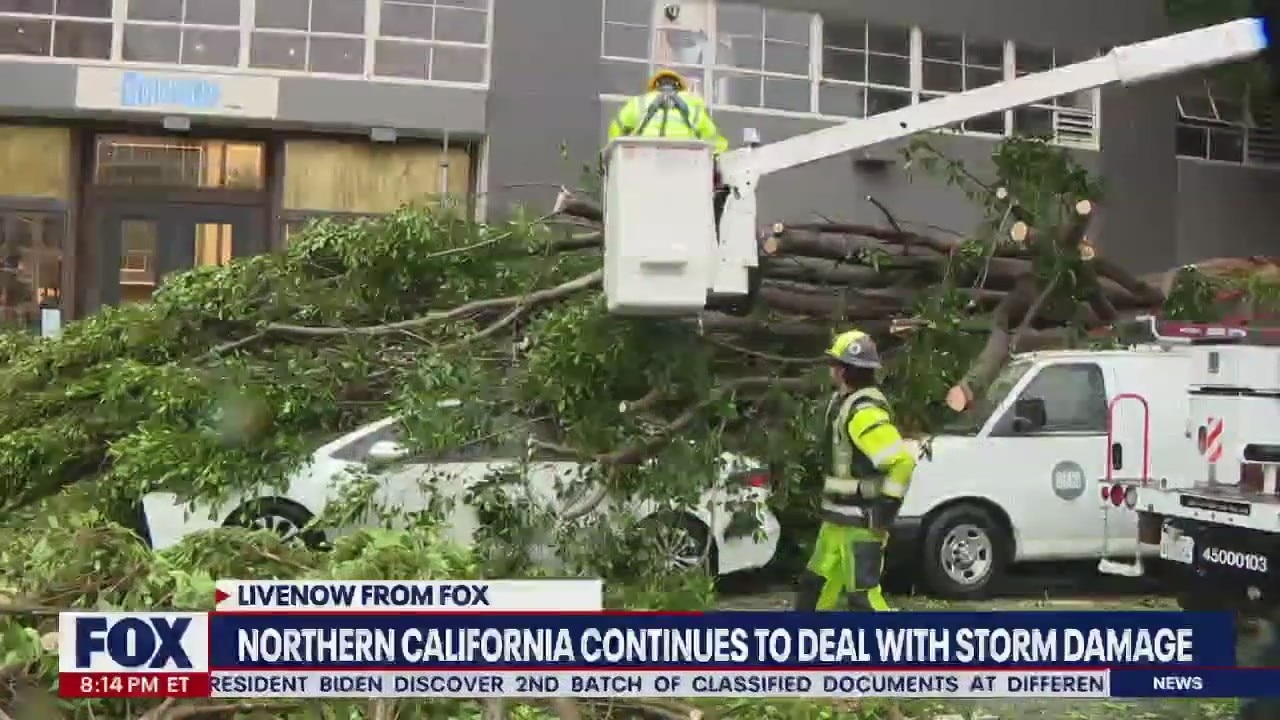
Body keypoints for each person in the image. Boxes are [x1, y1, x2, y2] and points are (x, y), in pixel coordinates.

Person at [795, 329, 917, 612]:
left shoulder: (864, 413)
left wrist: (885, 511)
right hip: (838, 521)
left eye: (835, 364)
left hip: (861, 523)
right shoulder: (844, 404)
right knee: (813, 592)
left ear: (843, 370)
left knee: (863, 599)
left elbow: (902, 462)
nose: (831, 369)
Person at [606, 69, 728, 156]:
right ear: (680, 88)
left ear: (654, 87)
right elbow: (716, 143)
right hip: (685, 164)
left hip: (644, 161)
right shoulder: (693, 106)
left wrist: (619, 154)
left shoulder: (639, 102)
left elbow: (615, 130)